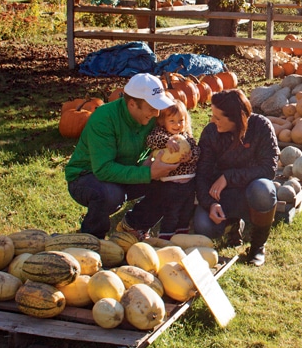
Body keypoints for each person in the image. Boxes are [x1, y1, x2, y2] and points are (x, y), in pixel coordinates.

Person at [64, 73, 179, 239]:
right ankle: (91, 239)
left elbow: (173, 131)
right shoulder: (104, 119)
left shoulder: (152, 116)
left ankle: (134, 225)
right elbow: (103, 169)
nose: (156, 113)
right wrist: (148, 173)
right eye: (152, 108)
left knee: (170, 183)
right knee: (111, 194)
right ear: (132, 104)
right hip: (86, 176)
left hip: (127, 170)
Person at [194, 89, 279, 266]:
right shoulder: (210, 133)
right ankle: (231, 225)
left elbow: (268, 169)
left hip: (251, 192)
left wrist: (228, 176)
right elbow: (201, 174)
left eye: (218, 118)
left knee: (264, 190)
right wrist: (210, 204)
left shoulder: (261, 126)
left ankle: (257, 247)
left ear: (236, 118)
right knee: (203, 226)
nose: (212, 120)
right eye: (212, 115)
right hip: (222, 196)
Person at [143, 99, 201, 239]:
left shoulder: (187, 137)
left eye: (181, 121)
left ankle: (181, 236)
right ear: (163, 121)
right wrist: (166, 141)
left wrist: (191, 156)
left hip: (189, 183)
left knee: (186, 211)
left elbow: (197, 151)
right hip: (170, 183)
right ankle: (166, 237)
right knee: (172, 211)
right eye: (172, 121)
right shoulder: (161, 134)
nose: (177, 125)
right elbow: (151, 140)